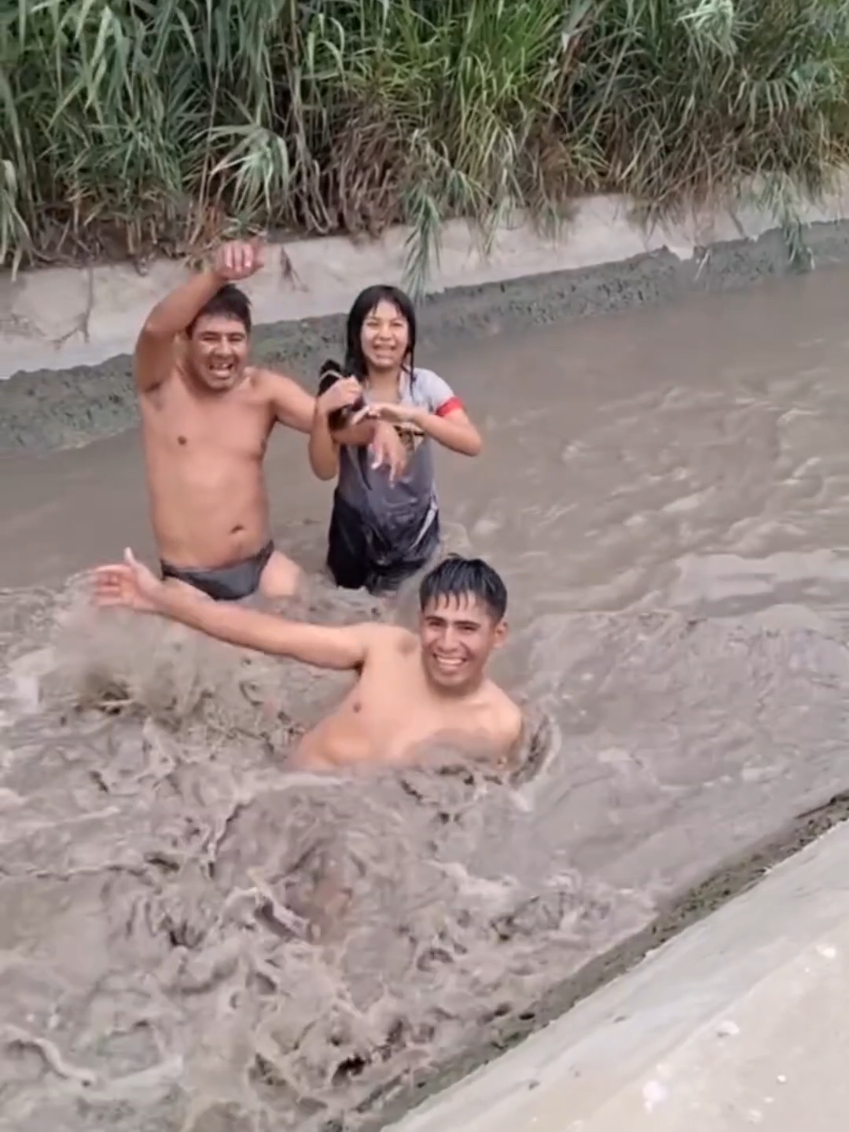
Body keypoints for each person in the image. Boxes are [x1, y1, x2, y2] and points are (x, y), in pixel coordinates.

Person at [134, 239, 405, 603]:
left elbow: (332, 424)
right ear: (185, 341)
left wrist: (379, 426)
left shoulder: (263, 391)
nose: (223, 351)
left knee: (329, 612)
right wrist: (216, 275)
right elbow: (155, 330)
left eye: (235, 339)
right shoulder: (160, 386)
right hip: (189, 579)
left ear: (248, 343)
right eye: (210, 338)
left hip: (262, 564)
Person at [92, 550, 523, 771]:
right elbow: (271, 635)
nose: (447, 643)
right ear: (420, 621)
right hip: (283, 789)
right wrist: (161, 600)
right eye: (436, 624)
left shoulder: (499, 725)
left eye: (467, 629)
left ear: (498, 635)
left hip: (359, 840)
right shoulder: (386, 649)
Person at [308, 285, 483, 595]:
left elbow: (471, 443)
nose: (385, 335)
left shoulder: (426, 387)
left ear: (410, 337)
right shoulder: (344, 392)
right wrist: (322, 413)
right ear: (356, 333)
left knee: (417, 599)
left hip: (418, 524)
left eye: (396, 325)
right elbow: (324, 471)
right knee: (349, 606)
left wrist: (414, 416)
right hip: (355, 531)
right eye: (373, 324)